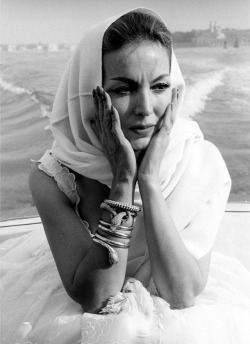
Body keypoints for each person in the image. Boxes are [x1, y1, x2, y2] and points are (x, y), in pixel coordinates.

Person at [1, 8, 250, 344]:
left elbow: (181, 295)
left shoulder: (200, 163)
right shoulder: (53, 177)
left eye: (160, 85)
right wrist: (122, 180)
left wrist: (148, 181)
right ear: (90, 94)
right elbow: (98, 299)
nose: (145, 107)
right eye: (123, 89)